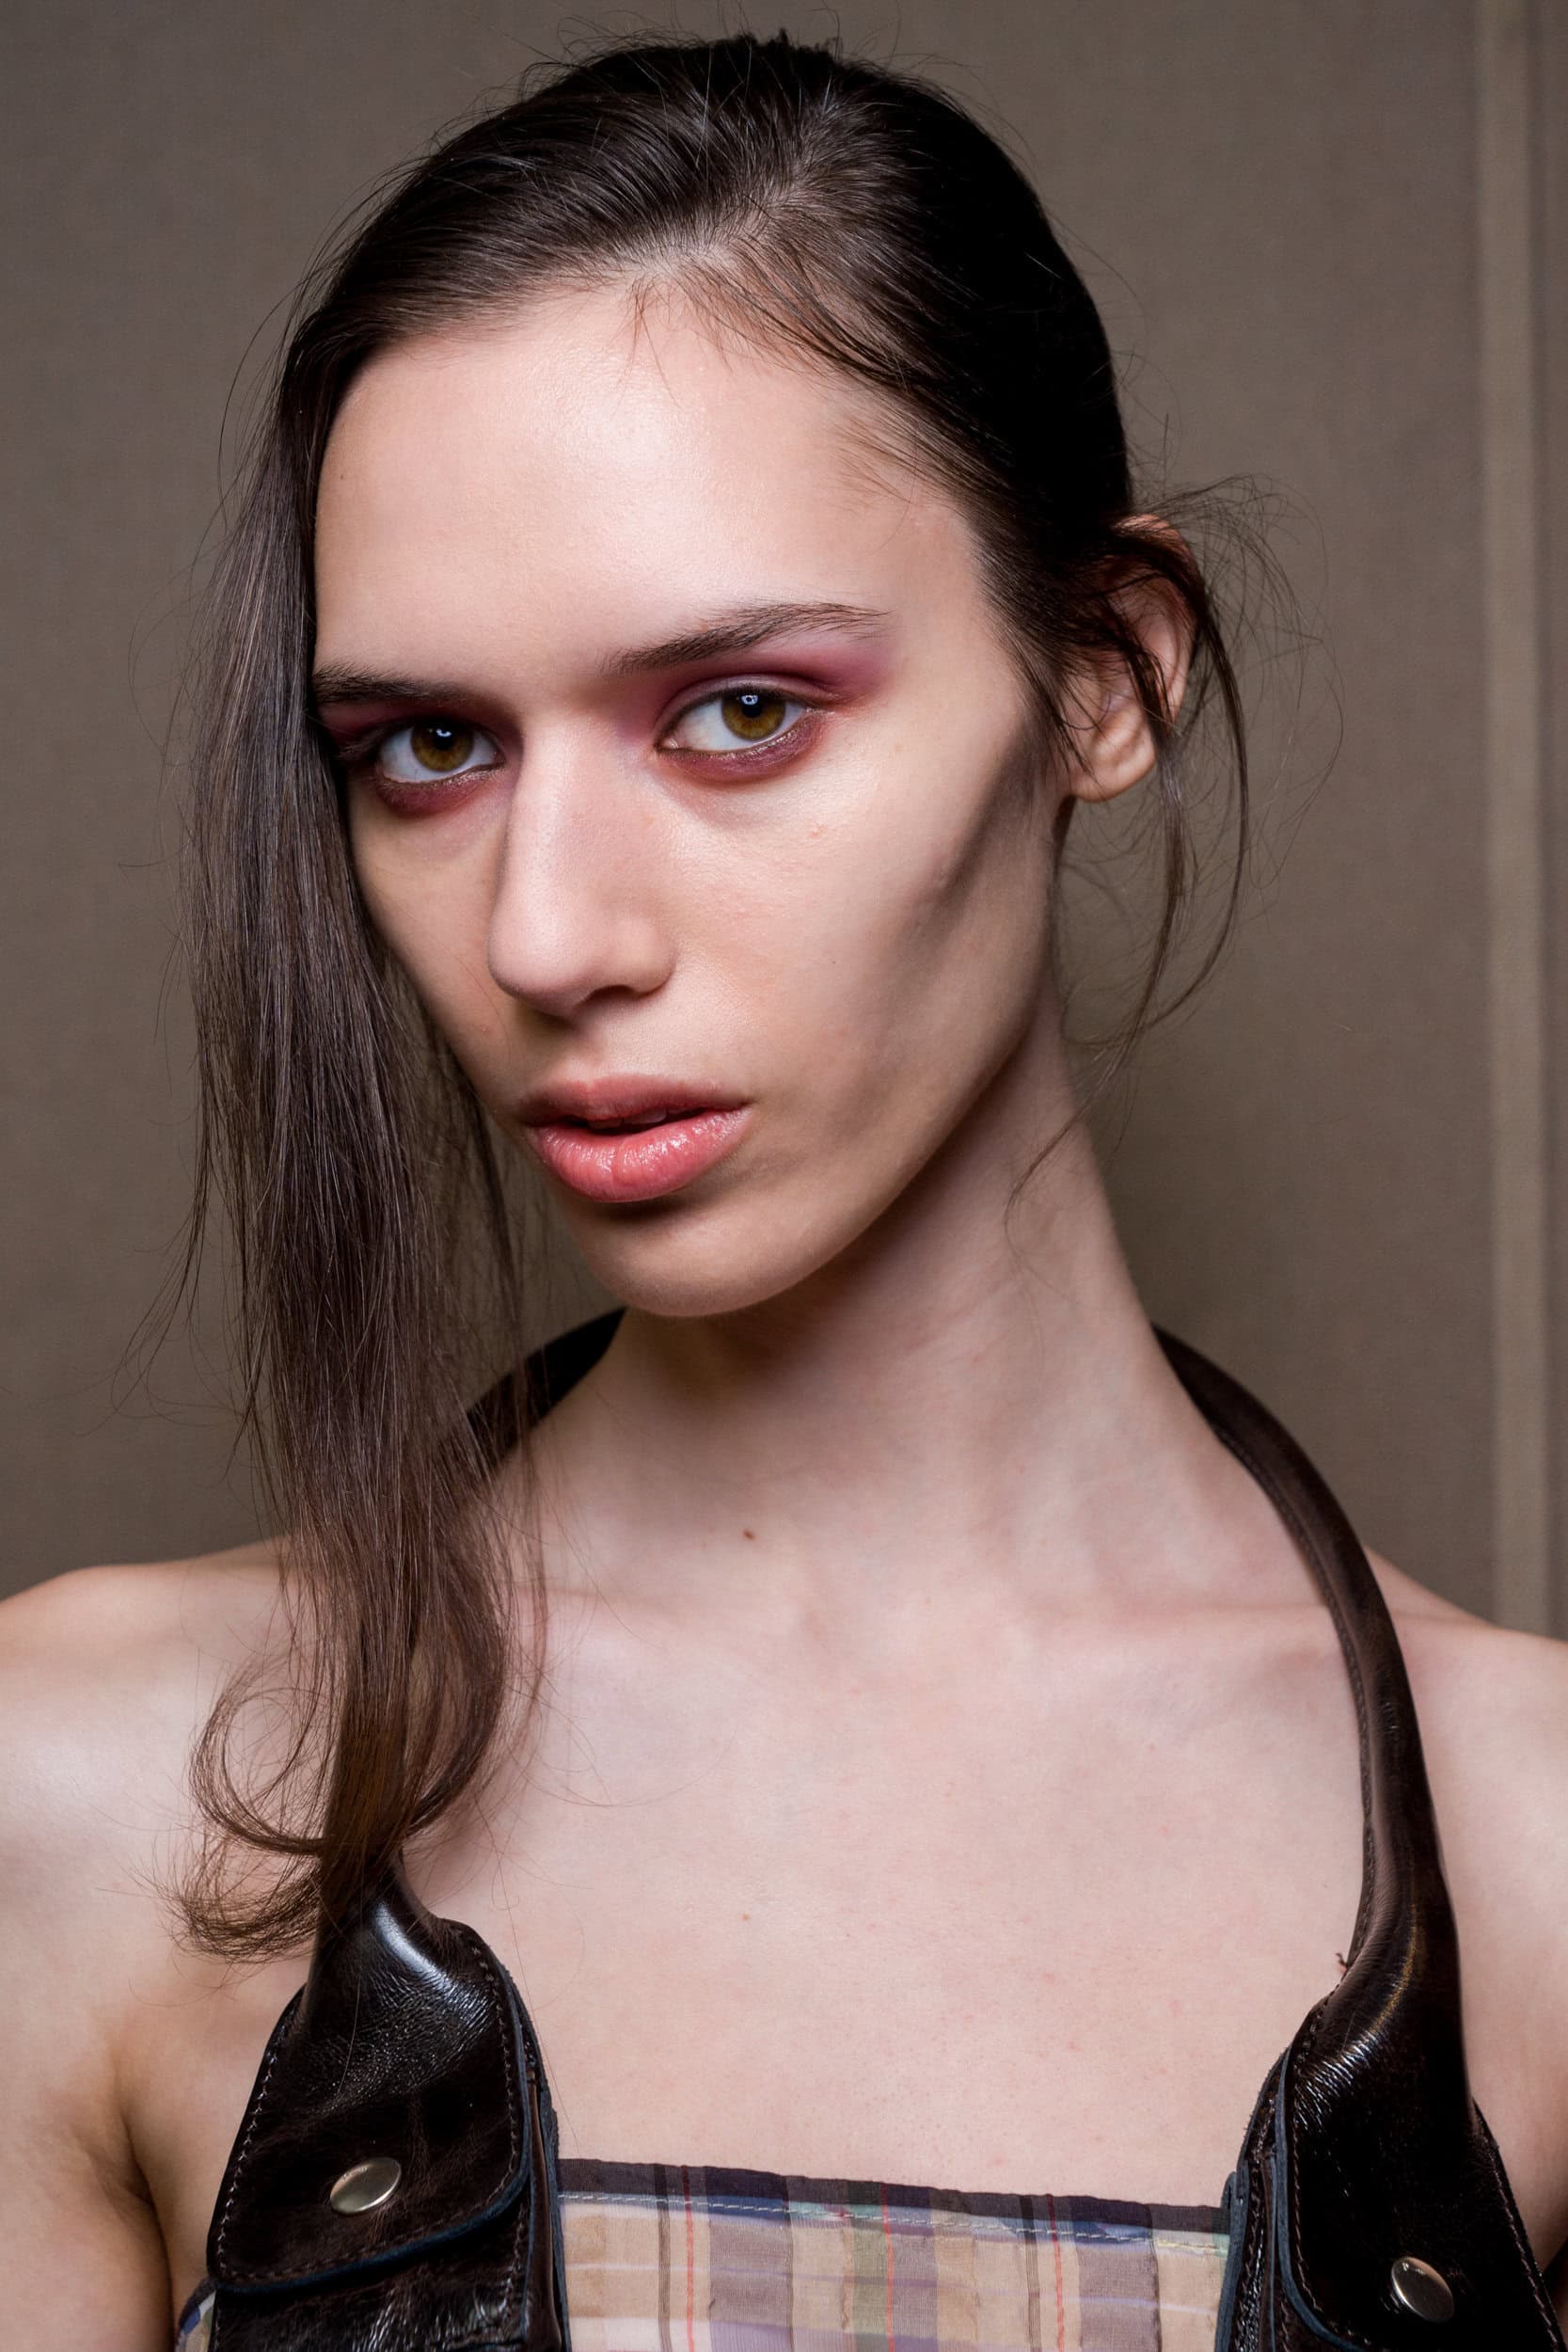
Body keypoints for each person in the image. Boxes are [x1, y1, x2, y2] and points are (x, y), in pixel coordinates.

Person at [3, 27, 1566, 2351]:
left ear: (1104, 673)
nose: (548, 933)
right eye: (428, 746)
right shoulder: (89, 1796)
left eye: (739, 710)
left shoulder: (1542, 1854)